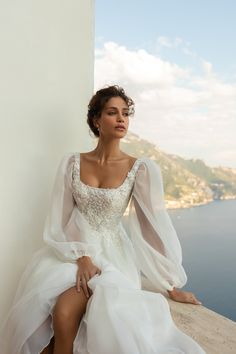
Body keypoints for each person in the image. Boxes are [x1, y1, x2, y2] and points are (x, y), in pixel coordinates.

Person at [0, 85, 206, 354]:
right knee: (53, 323)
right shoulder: (72, 163)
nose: (121, 119)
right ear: (97, 120)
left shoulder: (140, 169)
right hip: (71, 251)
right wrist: (82, 256)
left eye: (125, 113)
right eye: (112, 112)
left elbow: (152, 227)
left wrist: (170, 285)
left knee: (66, 314)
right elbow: (59, 221)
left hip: (114, 257)